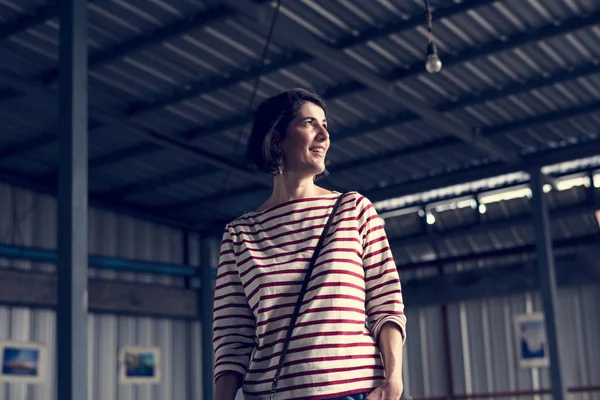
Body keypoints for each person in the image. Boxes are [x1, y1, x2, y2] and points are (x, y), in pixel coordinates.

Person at [212, 88, 407, 400]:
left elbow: (387, 305)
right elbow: (232, 335)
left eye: (325, 125)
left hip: (353, 391)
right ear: (276, 139)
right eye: (309, 124)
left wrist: (393, 383)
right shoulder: (240, 233)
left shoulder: (352, 209)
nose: (324, 136)